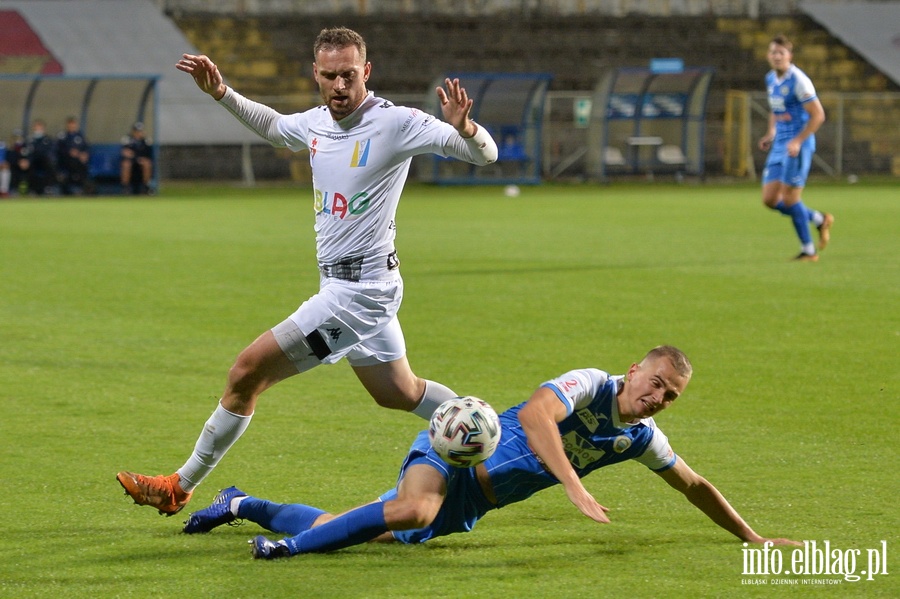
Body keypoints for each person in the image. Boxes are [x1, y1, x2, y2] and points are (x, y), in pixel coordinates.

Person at [117, 27, 498, 517]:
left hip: (358, 295)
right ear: (315, 75)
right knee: (399, 393)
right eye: (328, 75)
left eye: (348, 75)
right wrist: (222, 94)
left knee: (245, 373)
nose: (339, 85)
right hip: (351, 285)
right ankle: (493, 431)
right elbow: (276, 127)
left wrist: (466, 129)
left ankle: (179, 485)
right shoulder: (317, 123)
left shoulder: (397, 123)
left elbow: (482, 155)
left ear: (367, 72)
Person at [179, 346, 801, 559]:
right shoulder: (590, 383)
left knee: (350, 530)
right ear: (635, 369)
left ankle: (243, 504)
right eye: (656, 382)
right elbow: (535, 417)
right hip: (455, 450)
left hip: (476, 500)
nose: (660, 397)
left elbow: (694, 484)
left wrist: (753, 539)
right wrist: (576, 486)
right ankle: (282, 550)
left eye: (671, 394)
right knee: (413, 511)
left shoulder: (639, 438)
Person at [757, 35, 833, 262]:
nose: (777, 56)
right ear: (768, 56)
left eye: (781, 52)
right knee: (770, 200)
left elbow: (818, 115)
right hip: (780, 143)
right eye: (773, 52)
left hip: (797, 146)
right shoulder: (771, 79)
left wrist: (798, 141)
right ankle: (818, 219)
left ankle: (808, 250)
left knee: (790, 199)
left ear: (789, 56)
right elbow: (775, 108)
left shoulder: (799, 80)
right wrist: (771, 133)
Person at [19, 119, 57, 195]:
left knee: (50, 164)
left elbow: (50, 152)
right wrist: (24, 160)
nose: (38, 130)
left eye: (40, 128)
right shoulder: (29, 141)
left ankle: (48, 188)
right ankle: (31, 189)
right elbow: (25, 152)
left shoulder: (48, 140)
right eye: (36, 128)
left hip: (44, 162)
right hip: (32, 162)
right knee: (26, 166)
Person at [56, 117, 91, 195]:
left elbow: (86, 147)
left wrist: (84, 154)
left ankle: (81, 188)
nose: (72, 127)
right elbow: (58, 149)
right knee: (72, 163)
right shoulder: (62, 137)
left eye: (73, 125)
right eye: (70, 125)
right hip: (65, 160)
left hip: (79, 160)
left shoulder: (80, 137)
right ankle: (70, 189)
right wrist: (69, 152)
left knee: (83, 164)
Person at [120, 122, 153, 194]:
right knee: (126, 164)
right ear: (133, 131)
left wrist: (138, 157)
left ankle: (146, 187)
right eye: (136, 131)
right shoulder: (127, 139)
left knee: (147, 163)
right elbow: (126, 153)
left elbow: (148, 154)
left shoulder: (146, 141)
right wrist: (136, 158)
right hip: (131, 161)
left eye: (140, 131)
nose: (138, 133)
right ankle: (125, 187)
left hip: (142, 161)